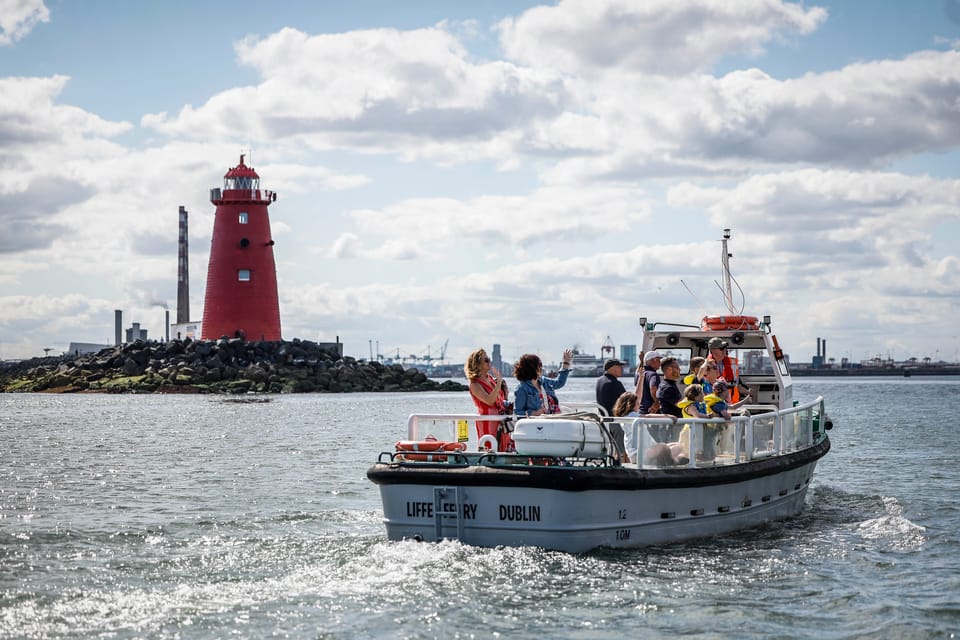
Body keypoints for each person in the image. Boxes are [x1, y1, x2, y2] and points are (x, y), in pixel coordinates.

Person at [612, 391, 680, 464]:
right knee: (663, 447)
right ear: (630, 405)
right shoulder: (631, 416)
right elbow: (648, 416)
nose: (639, 405)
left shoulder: (628, 416)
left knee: (677, 445)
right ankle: (671, 464)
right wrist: (667, 416)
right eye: (637, 403)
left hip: (643, 452)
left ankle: (669, 462)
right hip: (638, 454)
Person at [465, 348, 508, 450]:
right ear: (477, 364)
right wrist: (498, 383)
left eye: (489, 359)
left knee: (502, 448)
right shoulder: (475, 384)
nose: (489, 362)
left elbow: (500, 400)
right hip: (487, 420)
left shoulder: (490, 379)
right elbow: (489, 401)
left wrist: (504, 391)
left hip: (500, 420)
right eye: (486, 360)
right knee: (489, 448)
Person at [514, 351, 573, 417]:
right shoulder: (522, 389)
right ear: (532, 369)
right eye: (539, 366)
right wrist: (534, 413)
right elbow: (518, 412)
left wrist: (566, 363)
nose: (541, 368)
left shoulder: (544, 381)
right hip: (538, 425)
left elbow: (559, 383)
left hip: (553, 419)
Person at [706, 336, 751, 403]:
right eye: (721, 348)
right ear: (712, 350)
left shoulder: (732, 363)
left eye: (725, 348)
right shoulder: (706, 366)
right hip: (716, 403)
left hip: (733, 403)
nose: (725, 350)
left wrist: (748, 393)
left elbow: (736, 384)